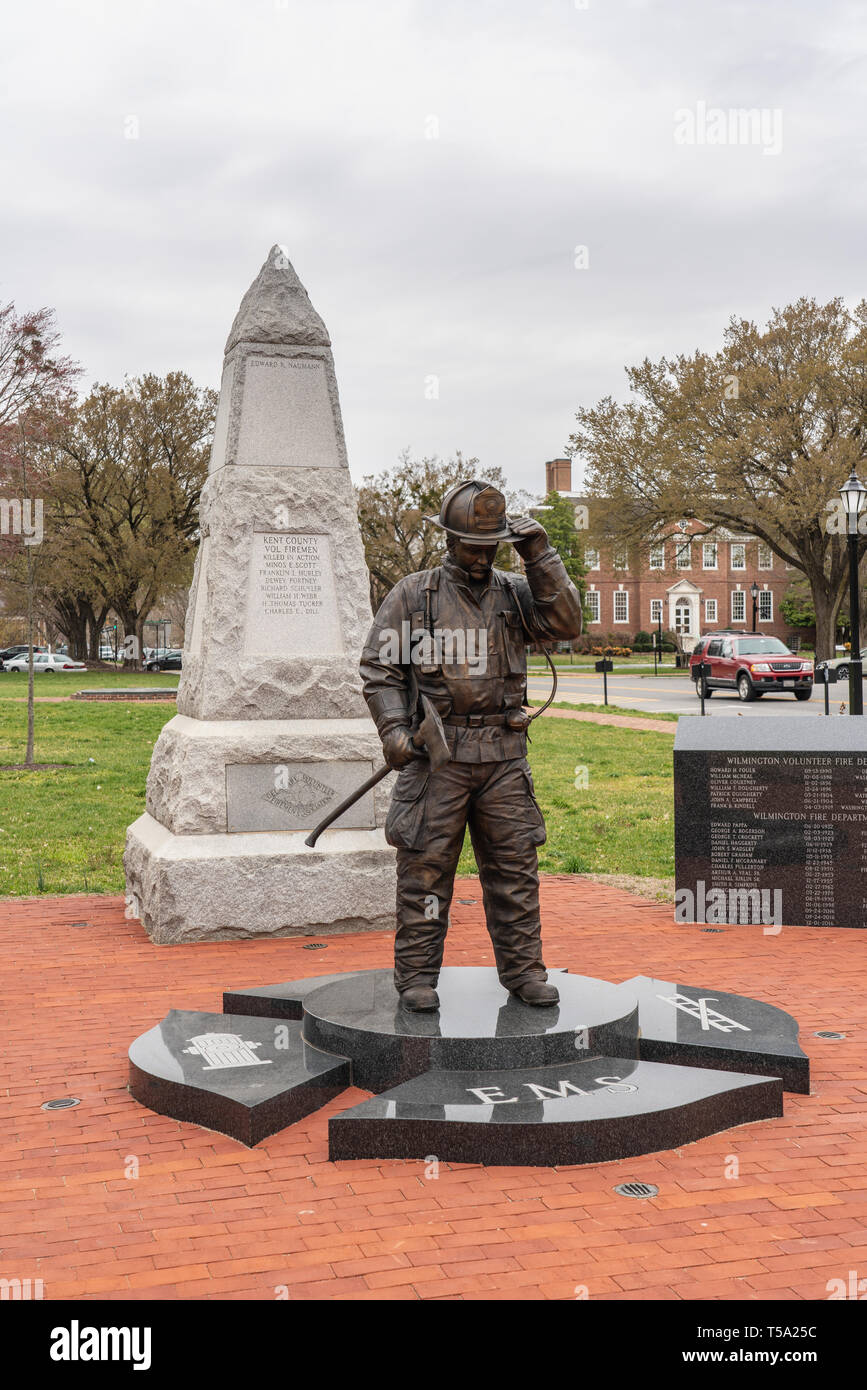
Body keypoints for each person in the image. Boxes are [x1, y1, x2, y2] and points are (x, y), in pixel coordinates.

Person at [359, 479, 583, 1011]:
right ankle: (416, 977)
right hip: (440, 758)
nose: (481, 556)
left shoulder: (515, 592)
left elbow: (568, 623)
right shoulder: (414, 594)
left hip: (504, 754)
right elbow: (379, 668)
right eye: (471, 545)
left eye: (491, 547)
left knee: (515, 870)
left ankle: (525, 971)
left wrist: (540, 556)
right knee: (426, 871)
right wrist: (393, 730)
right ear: (449, 541)